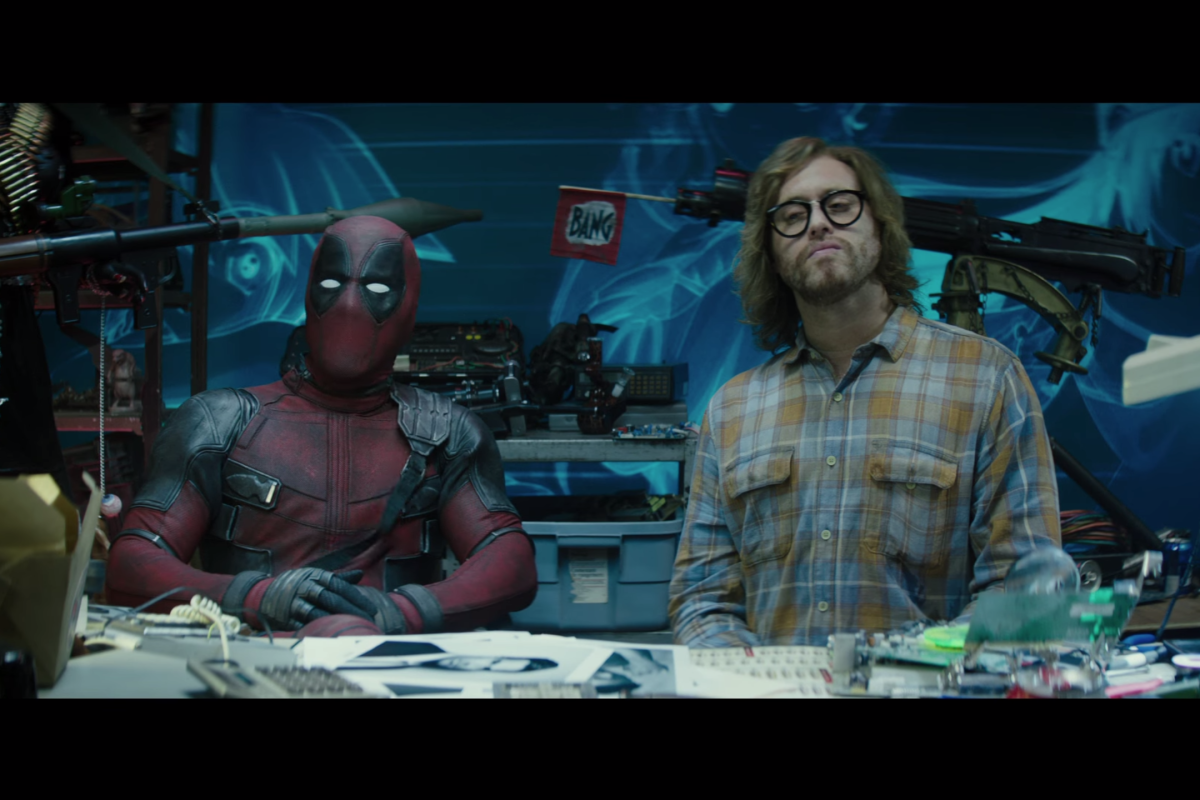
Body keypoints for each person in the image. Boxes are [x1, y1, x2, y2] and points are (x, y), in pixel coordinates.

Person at [668, 137, 1063, 647]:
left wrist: (913, 668)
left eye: (839, 205)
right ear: (771, 253)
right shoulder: (732, 411)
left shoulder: (986, 379)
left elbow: (1025, 590)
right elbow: (703, 601)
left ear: (880, 224)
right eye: (792, 216)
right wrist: (754, 676)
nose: (817, 224)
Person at [105, 216, 537, 637]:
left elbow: (511, 561)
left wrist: (404, 611)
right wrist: (251, 598)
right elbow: (131, 564)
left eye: (377, 288)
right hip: (253, 658)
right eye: (332, 283)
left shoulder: (447, 432)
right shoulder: (220, 421)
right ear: (309, 293)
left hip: (388, 660)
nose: (349, 305)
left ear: (408, 304)